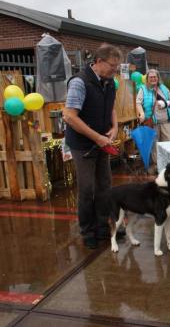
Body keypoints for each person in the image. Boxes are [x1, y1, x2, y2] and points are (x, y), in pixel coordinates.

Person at [63, 44, 122, 249]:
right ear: (98, 62)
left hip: (102, 142)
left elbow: (111, 108)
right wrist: (97, 137)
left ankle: (102, 226)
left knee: (104, 185)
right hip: (83, 145)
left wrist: (114, 127)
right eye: (112, 66)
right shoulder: (80, 82)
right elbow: (69, 116)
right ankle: (87, 231)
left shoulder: (109, 82)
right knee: (87, 189)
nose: (115, 71)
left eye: (117, 67)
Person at [136, 69, 170, 169]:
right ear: (147, 79)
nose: (153, 79)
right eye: (151, 77)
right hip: (152, 122)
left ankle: (168, 165)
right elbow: (138, 103)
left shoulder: (163, 88)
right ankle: (158, 166)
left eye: (155, 77)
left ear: (158, 78)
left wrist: (165, 103)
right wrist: (142, 114)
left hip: (165, 121)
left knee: (168, 143)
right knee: (155, 145)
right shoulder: (143, 89)